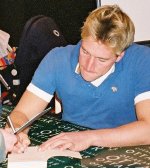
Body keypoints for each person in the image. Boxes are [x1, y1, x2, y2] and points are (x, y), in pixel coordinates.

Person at [6, 5, 150, 153]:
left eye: (101, 60)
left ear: (120, 55)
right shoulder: (58, 59)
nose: (88, 65)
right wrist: (16, 133)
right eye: (85, 51)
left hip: (127, 154)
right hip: (73, 152)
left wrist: (88, 138)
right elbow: (22, 113)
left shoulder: (142, 61)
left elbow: (148, 130)